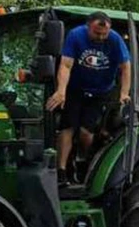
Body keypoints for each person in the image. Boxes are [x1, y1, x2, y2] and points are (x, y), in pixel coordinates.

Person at [46, 12, 131, 185]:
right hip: (75, 89)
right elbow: (66, 65)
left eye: (104, 34)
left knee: (86, 133)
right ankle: (61, 171)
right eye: (97, 33)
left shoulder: (115, 40)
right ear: (88, 27)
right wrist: (61, 91)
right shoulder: (76, 35)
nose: (100, 37)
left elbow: (125, 67)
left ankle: (84, 160)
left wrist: (124, 92)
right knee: (67, 127)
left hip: (100, 92)